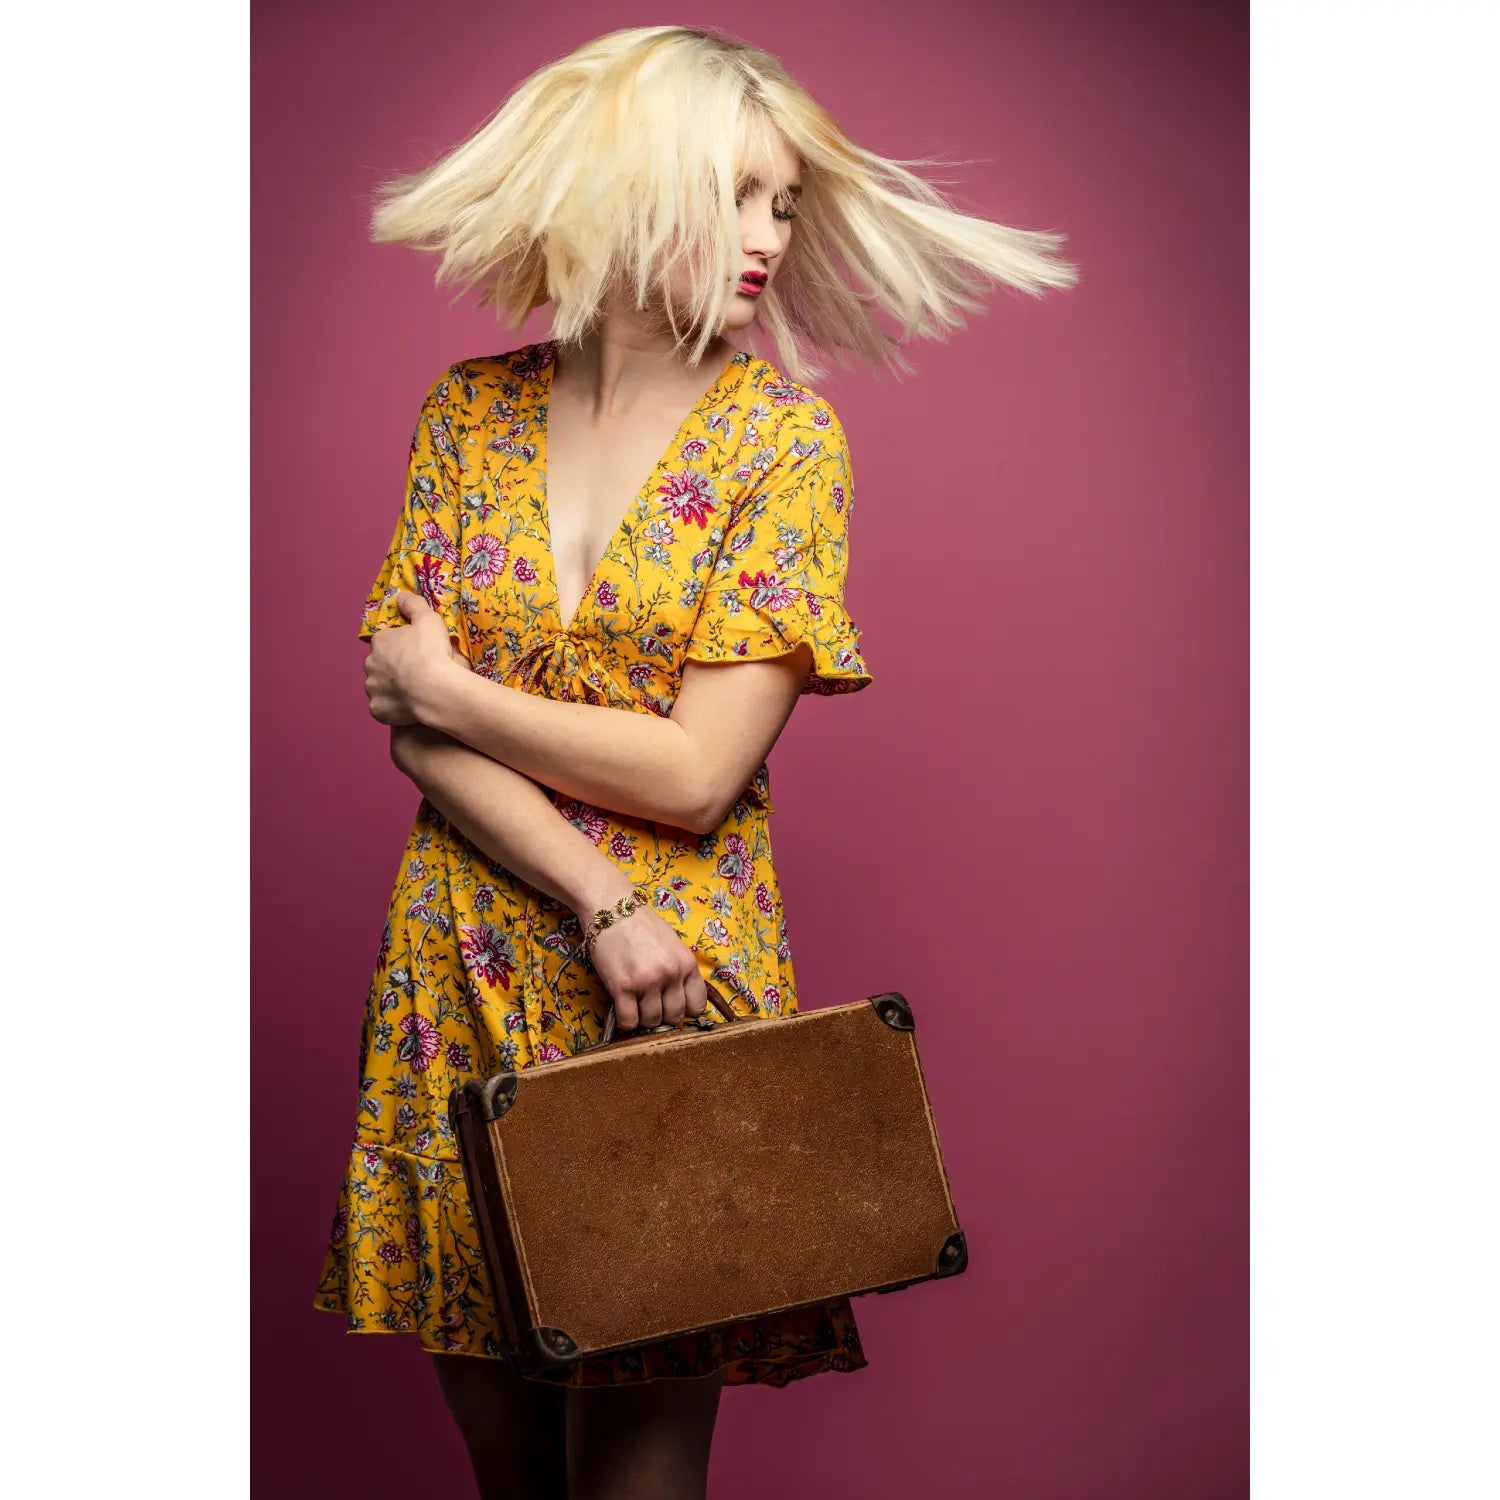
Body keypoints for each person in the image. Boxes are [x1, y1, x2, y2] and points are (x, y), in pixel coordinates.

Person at [313, 23, 1077, 1500]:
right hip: (457, 980)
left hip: (664, 989)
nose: (769, 239)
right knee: (509, 1469)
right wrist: (581, 871)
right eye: (738, 196)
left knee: (638, 1480)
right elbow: (412, 729)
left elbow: (689, 776)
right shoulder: (468, 416)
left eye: (784, 204)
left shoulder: (783, 444)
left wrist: (454, 698)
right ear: (631, 190)